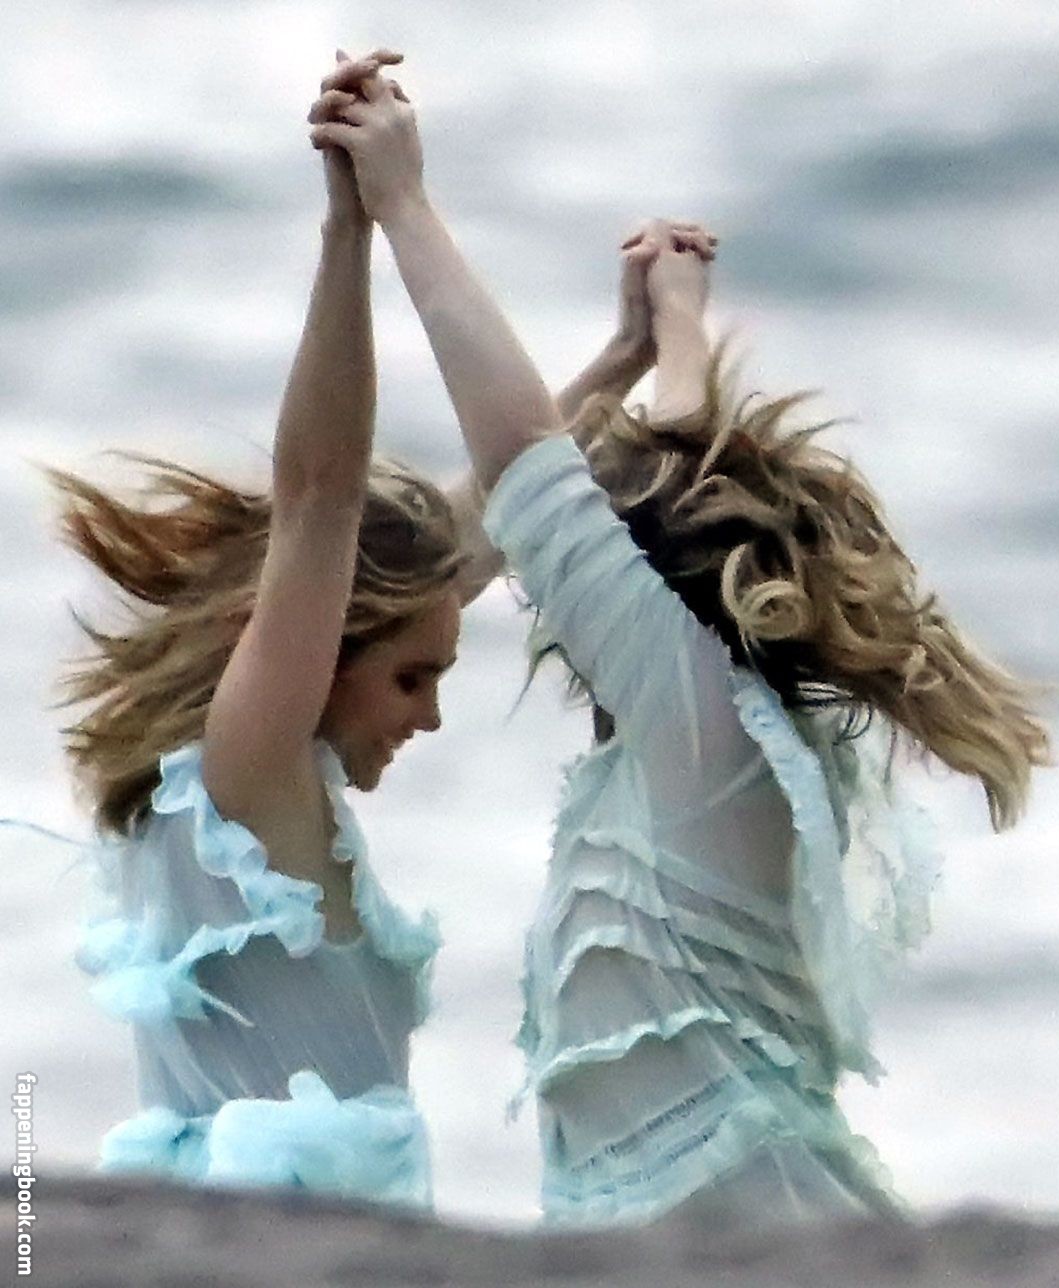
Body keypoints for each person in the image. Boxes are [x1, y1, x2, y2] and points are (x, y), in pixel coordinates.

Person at [311, 54, 1052, 1225]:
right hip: (697, 1221)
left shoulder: (698, 721)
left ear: (648, 587)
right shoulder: (714, 720)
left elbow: (523, 463)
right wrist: (665, 333)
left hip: (745, 1227)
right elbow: (635, 500)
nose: (558, 570)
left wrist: (404, 204)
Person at [25, 49, 690, 1208]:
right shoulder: (247, 775)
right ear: (319, 650)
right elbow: (320, 495)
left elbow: (494, 520)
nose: (430, 715)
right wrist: (356, 228)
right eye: (412, 678)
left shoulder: (262, 786)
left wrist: (629, 354)